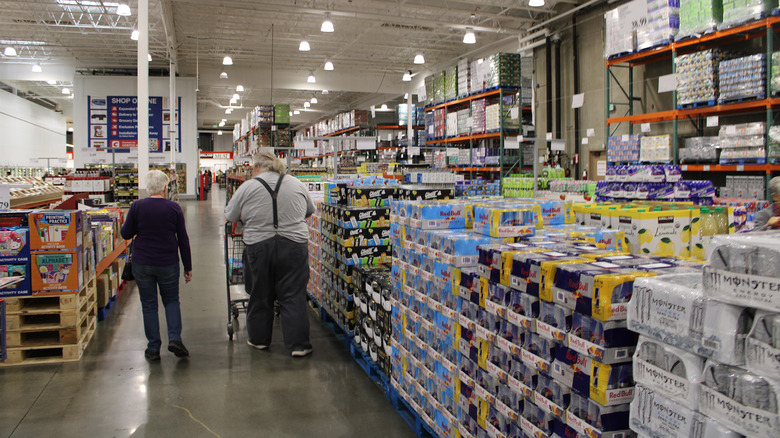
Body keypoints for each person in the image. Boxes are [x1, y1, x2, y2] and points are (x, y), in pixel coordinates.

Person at [224, 149, 315, 357]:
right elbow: (309, 211)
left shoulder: (247, 187)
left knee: (260, 292)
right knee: (293, 294)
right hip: (293, 245)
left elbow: (230, 215)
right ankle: (299, 345)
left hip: (259, 246)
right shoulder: (296, 183)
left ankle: (259, 340)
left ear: (257, 167)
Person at [121, 170, 193, 361]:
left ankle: (153, 348)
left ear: (147, 188)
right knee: (171, 300)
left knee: (149, 305)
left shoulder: (137, 206)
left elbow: (125, 234)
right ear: (165, 187)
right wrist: (188, 266)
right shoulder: (174, 208)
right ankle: (175, 339)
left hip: (142, 263)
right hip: (167, 263)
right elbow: (183, 240)